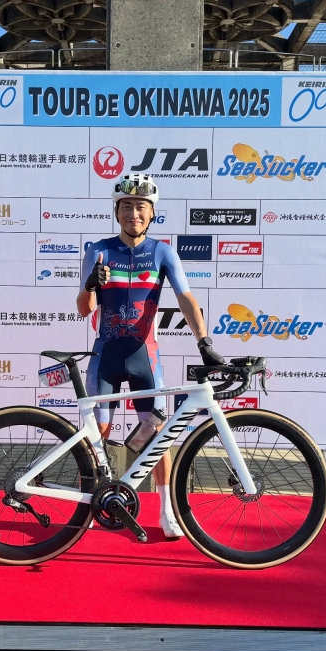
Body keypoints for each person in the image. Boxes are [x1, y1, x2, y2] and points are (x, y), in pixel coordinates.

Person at [77, 173, 224, 538]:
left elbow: (185, 298)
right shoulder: (98, 250)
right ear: (116, 211)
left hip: (145, 356)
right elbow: (84, 309)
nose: (134, 214)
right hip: (106, 355)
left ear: (152, 213)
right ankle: (90, 504)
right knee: (97, 435)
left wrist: (204, 341)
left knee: (158, 435)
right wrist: (91, 285)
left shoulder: (162, 252)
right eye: (126, 206)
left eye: (141, 207)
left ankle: (166, 510)